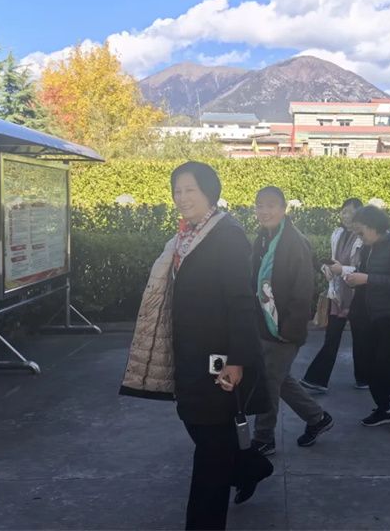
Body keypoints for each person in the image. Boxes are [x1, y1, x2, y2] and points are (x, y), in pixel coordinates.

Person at [120, 161, 273, 530]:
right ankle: (250, 466)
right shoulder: (185, 237)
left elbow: (240, 301)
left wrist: (237, 360)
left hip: (218, 357)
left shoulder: (227, 235)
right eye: (177, 190)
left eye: (190, 189)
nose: (182, 197)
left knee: (210, 448)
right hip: (188, 351)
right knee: (201, 427)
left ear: (209, 192)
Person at [251, 186, 334, 456]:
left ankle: (264, 438)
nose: (264, 211)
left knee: (269, 382)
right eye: (260, 205)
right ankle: (317, 418)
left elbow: (303, 290)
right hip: (265, 323)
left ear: (283, 208)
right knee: (279, 378)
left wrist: (288, 329)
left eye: (271, 205)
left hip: (284, 328)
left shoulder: (294, 242)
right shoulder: (263, 238)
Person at [344, 205, 390, 434]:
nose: (359, 237)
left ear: (374, 226)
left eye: (361, 231)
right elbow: (367, 275)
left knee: (385, 362)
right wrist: (352, 277)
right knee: (368, 361)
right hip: (370, 313)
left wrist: (366, 279)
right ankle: (384, 408)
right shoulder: (369, 247)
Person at [300, 198, 369, 393]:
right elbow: (334, 260)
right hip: (338, 294)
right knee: (332, 337)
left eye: (350, 212)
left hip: (358, 295)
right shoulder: (338, 233)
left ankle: (364, 378)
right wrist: (328, 268)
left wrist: (342, 269)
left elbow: (365, 269)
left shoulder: (365, 238)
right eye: (343, 211)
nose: (345, 215)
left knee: (360, 338)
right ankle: (317, 379)